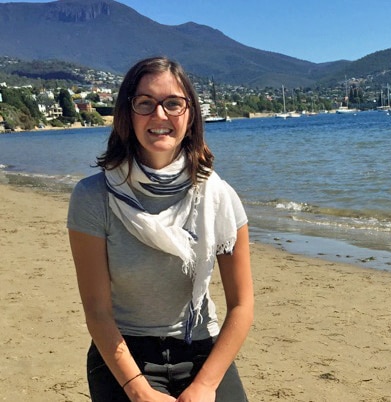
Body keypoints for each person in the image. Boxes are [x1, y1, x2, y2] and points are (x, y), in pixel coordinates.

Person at [67, 56, 254, 402]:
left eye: (173, 103)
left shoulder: (218, 197)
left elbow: (242, 305)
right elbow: (97, 310)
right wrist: (138, 391)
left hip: (202, 350)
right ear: (127, 113)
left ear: (190, 113)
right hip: (125, 352)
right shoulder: (93, 197)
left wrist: (205, 385)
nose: (160, 115)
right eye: (145, 103)